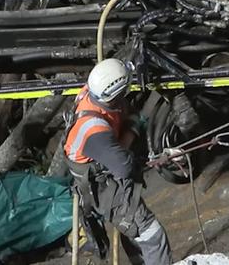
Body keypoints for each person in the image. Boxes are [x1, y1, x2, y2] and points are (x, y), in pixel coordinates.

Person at [63, 58, 172, 264]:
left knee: (132, 227)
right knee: (152, 234)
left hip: (105, 168)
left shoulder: (93, 90)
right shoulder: (93, 130)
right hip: (102, 188)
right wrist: (133, 129)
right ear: (115, 96)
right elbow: (124, 167)